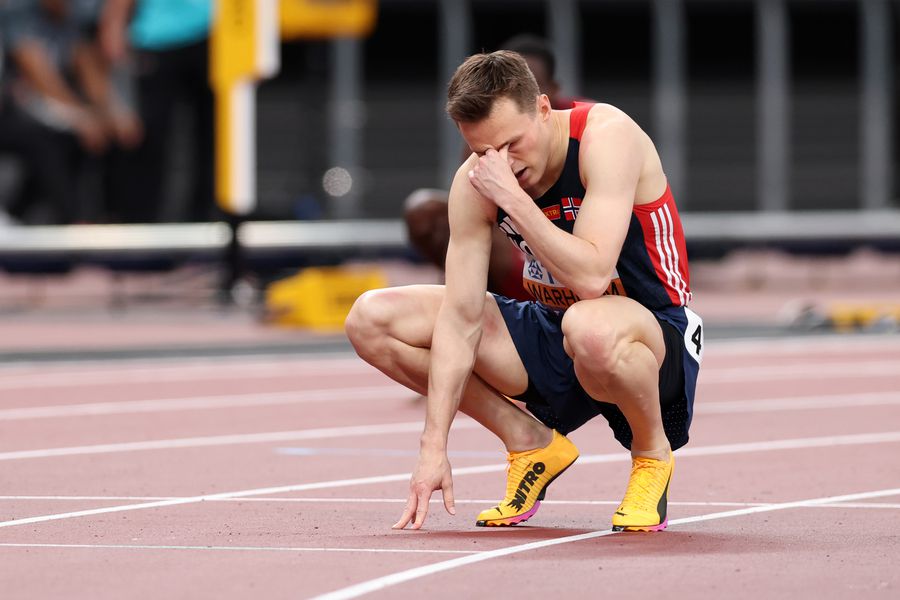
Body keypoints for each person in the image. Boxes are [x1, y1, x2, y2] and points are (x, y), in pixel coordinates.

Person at [345, 50, 703, 532]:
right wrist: (434, 446)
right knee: (372, 318)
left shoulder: (607, 137)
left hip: (648, 335)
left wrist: (510, 199)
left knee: (590, 325)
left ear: (542, 107)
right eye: (485, 152)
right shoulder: (476, 180)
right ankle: (529, 441)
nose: (503, 165)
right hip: (552, 330)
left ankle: (651, 455)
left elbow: (593, 276)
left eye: (512, 144)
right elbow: (461, 317)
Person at [404, 35, 580, 301]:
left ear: (547, 96)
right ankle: (478, 297)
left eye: (514, 142)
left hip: (583, 269)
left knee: (589, 327)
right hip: (520, 262)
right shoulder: (485, 133)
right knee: (426, 211)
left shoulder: (590, 131)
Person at [98, 0, 215, 223]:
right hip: (157, 37)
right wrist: (114, 21)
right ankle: (141, 225)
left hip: (218, 34)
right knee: (147, 137)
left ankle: (203, 222)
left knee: (213, 140)